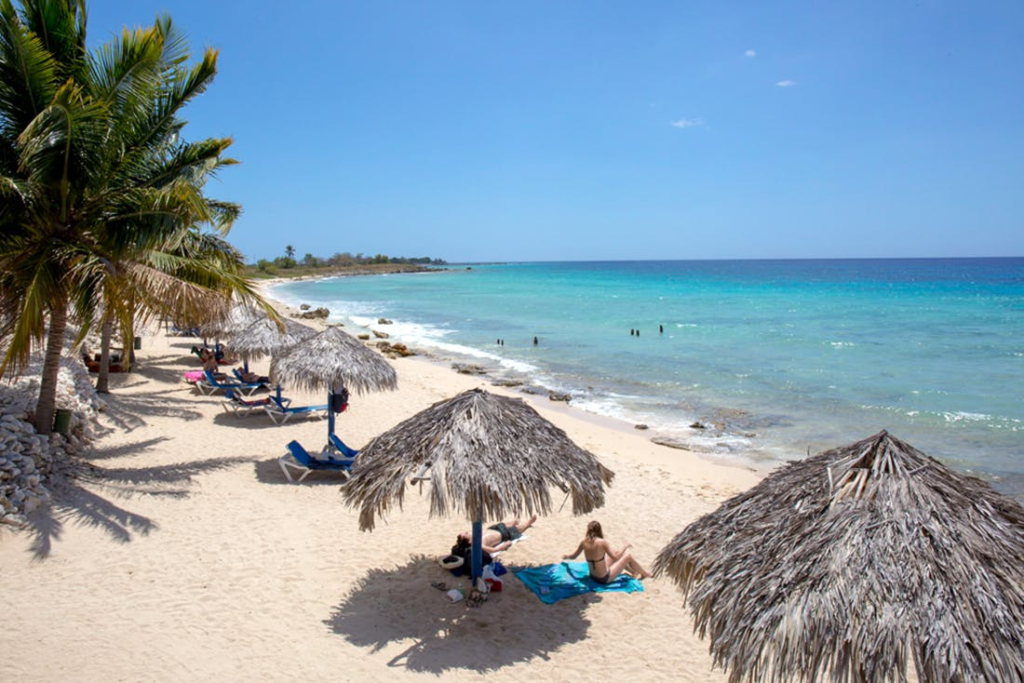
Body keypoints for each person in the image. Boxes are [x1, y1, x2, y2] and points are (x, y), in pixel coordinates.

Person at [563, 520, 652, 584]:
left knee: (616, 551)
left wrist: (566, 556)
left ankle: (634, 572)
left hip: (592, 576)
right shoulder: (602, 542)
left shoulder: (584, 542)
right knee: (628, 556)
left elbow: (574, 556)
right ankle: (645, 573)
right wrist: (625, 547)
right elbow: (616, 558)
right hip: (603, 578)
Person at [456, 514, 537, 555]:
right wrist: (505, 545)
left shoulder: (472, 535)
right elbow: (494, 550)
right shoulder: (479, 544)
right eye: (466, 534)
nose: (467, 532)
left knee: (502, 525)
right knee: (518, 529)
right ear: (469, 541)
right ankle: (528, 523)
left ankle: (513, 522)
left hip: (492, 529)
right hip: (502, 535)